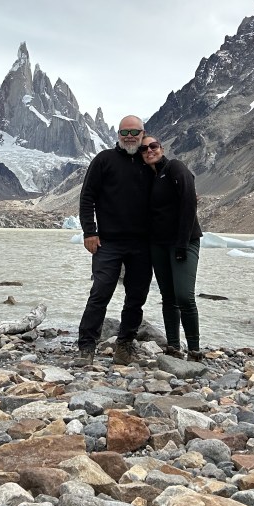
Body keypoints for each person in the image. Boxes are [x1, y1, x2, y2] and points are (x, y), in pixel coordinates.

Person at [75, 115, 155, 366]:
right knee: (100, 293)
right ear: (118, 134)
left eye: (135, 132)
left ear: (143, 134)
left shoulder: (150, 162)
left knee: (136, 296)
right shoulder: (103, 160)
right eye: (125, 132)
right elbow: (87, 197)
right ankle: (87, 347)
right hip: (108, 242)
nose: (129, 137)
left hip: (143, 244)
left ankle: (124, 345)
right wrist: (90, 232)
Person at [140, 134, 204, 361]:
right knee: (168, 296)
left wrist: (182, 242)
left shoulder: (175, 168)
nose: (149, 150)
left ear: (162, 148)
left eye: (153, 146)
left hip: (183, 242)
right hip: (158, 244)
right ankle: (173, 346)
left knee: (184, 296)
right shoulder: (148, 176)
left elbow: (189, 202)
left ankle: (195, 349)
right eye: (144, 148)